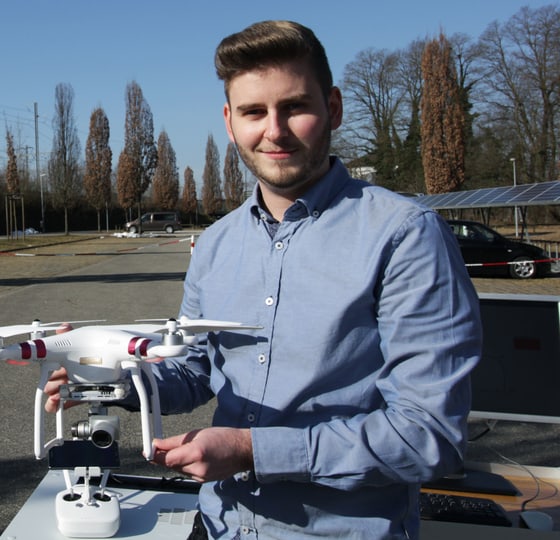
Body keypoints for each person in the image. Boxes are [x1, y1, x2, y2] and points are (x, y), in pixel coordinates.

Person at [45, 20, 482, 539]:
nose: (274, 131)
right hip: (219, 525)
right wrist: (113, 381)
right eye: (254, 112)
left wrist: (252, 451)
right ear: (230, 122)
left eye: (294, 107)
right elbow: (197, 368)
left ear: (333, 109)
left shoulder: (405, 236)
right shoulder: (215, 244)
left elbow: (428, 435)